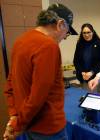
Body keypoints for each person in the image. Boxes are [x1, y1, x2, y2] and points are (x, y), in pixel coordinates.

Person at [3, 3, 77, 140]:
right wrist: (18, 124)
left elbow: (10, 84)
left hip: (29, 125)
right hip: (48, 129)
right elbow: (38, 97)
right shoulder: (49, 46)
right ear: (60, 24)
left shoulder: (20, 41)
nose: (64, 38)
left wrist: (15, 118)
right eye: (66, 34)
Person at [73, 23, 100, 93]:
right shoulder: (79, 44)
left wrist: (91, 72)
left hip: (96, 75)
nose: (86, 35)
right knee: (86, 94)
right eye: (84, 33)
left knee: (97, 95)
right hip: (84, 76)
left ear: (93, 32)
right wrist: (82, 72)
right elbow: (76, 60)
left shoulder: (99, 44)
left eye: (88, 32)